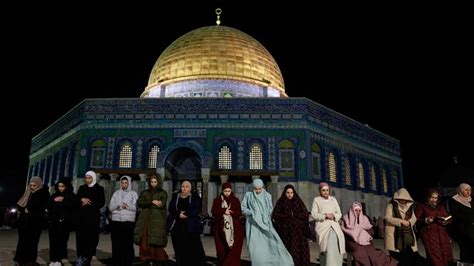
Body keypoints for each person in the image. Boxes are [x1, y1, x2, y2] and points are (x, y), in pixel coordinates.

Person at [241, 178, 294, 266]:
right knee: (254, 247)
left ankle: (276, 262)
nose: (257, 191)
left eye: (259, 188)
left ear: (262, 187)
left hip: (265, 223)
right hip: (253, 225)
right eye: (256, 188)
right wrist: (253, 213)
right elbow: (243, 208)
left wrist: (264, 217)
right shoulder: (248, 195)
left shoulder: (267, 195)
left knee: (271, 243)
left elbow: (270, 209)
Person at [341, 201, 398, 266]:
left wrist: (362, 233)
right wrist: (358, 233)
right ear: (352, 210)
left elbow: (371, 231)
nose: (358, 212)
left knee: (375, 253)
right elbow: (346, 231)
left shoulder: (364, 218)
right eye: (356, 210)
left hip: (366, 242)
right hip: (352, 242)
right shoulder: (346, 219)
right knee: (360, 252)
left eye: (359, 210)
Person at [385, 188, 427, 266]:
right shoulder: (391, 205)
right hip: (395, 236)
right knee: (399, 257)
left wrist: (409, 222)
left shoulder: (409, 207)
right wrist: (401, 222)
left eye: (405, 199)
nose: (403, 201)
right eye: (401, 199)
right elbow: (388, 218)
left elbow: (414, 218)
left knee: (410, 256)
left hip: (408, 236)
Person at [168, 180, 206, 266]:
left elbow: (196, 209)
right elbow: (171, 208)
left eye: (187, 186)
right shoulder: (175, 196)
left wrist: (185, 214)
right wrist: (178, 214)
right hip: (177, 226)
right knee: (179, 247)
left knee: (192, 248)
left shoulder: (195, 197)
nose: (185, 188)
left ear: (190, 188)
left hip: (191, 227)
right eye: (183, 186)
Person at [13, 176, 50, 266]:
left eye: (35, 185)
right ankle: (20, 260)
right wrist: (24, 210)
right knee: (22, 242)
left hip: (35, 223)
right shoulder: (28, 192)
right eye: (31, 185)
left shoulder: (43, 194)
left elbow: (42, 208)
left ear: (39, 185)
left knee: (33, 243)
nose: (32, 187)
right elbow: (19, 205)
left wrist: (30, 212)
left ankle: (30, 261)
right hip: (24, 223)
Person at [134, 175, 169, 265]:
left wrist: (148, 203)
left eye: (155, 182)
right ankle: (146, 258)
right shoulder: (145, 192)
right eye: (151, 182)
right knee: (144, 240)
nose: (153, 184)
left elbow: (161, 204)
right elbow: (140, 203)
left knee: (155, 241)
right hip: (145, 219)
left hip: (157, 220)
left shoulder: (163, 193)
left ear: (158, 182)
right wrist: (152, 202)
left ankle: (157, 259)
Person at [272, 184, 310, 266]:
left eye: (291, 193)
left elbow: (305, 214)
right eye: (288, 192)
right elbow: (275, 215)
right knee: (288, 251)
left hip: (298, 233)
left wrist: (296, 215)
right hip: (286, 233)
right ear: (284, 193)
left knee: (299, 251)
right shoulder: (281, 202)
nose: (290, 194)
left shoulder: (298, 201)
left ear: (294, 193)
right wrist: (287, 215)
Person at [414, 188, 454, 266]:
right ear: (427, 197)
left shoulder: (440, 207)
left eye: (436, 198)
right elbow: (416, 219)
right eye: (432, 197)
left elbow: (448, 217)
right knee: (435, 255)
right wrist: (426, 220)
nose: (434, 200)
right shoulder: (421, 206)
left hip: (442, 234)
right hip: (429, 234)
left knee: (446, 253)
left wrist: (447, 221)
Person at [310, 182, 345, 266]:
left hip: (334, 226)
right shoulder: (317, 200)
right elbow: (314, 214)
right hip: (323, 227)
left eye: (327, 190)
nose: (325, 192)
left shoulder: (333, 199)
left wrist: (333, 216)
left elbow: (339, 213)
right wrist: (325, 216)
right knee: (326, 247)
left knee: (337, 245)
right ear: (320, 191)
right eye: (323, 190)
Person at [76, 170, 105, 265]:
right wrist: (81, 199)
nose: (88, 180)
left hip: (93, 218)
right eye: (86, 178)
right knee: (80, 238)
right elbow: (76, 199)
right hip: (82, 218)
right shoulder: (82, 188)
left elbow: (101, 202)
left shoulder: (99, 189)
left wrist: (89, 202)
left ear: (93, 178)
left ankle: (88, 258)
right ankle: (80, 257)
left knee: (91, 238)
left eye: (89, 178)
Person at [211, 182, 244, 266]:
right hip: (220, 229)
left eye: (229, 191)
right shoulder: (217, 200)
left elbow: (239, 213)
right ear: (222, 191)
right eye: (225, 191)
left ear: (231, 190)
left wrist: (230, 213)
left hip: (235, 229)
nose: (227, 193)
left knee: (233, 249)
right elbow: (214, 212)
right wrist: (223, 211)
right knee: (221, 248)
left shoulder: (235, 200)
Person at [48, 178, 77, 266]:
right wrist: (54, 200)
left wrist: (63, 200)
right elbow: (48, 206)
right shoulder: (54, 196)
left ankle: (59, 260)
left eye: (63, 186)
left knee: (61, 241)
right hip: (53, 222)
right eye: (59, 186)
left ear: (67, 186)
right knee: (53, 241)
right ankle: (53, 259)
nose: (60, 188)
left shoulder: (71, 196)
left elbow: (73, 206)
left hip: (65, 223)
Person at [109, 175, 138, 266]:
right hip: (116, 221)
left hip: (128, 222)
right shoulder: (116, 193)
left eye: (126, 183)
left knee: (127, 243)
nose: (124, 184)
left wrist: (127, 206)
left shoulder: (134, 194)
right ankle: (117, 261)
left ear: (129, 183)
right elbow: (111, 207)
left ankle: (128, 262)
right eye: (122, 182)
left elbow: (136, 208)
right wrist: (119, 204)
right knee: (116, 243)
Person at [449, 183, 474, 263]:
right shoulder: (454, 200)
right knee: (465, 250)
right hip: (462, 230)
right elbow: (455, 215)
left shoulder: (471, 199)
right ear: (461, 190)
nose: (468, 192)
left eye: (470, 190)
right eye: (466, 190)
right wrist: (469, 219)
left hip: (472, 228)